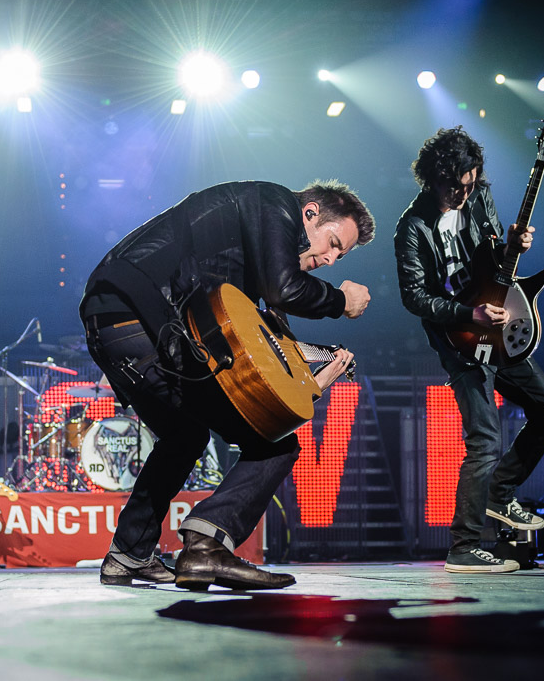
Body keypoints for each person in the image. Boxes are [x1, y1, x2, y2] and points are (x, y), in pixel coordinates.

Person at [80, 179, 373, 590]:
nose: (330, 260)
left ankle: (130, 553)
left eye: (339, 254)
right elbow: (285, 288)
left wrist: (310, 382)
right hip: (137, 313)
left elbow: (264, 352)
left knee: (185, 435)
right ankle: (206, 543)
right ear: (309, 214)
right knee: (274, 442)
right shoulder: (274, 203)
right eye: (333, 243)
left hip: (125, 313)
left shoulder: (251, 256)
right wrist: (341, 301)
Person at [394, 126, 544, 574]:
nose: (464, 194)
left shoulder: (478, 198)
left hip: (498, 328)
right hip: (458, 338)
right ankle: (464, 547)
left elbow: (495, 259)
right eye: (457, 186)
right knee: (485, 440)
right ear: (433, 178)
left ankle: (499, 494)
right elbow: (414, 296)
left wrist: (514, 244)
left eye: (471, 185)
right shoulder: (412, 227)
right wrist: (466, 315)